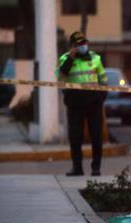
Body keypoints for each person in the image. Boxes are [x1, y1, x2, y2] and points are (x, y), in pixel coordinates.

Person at [56, 31, 108, 176]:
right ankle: (77, 168)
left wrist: (101, 96)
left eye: (84, 43)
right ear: (72, 46)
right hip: (74, 103)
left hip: (93, 103)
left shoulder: (95, 58)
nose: (82, 46)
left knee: (96, 136)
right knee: (75, 136)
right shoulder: (65, 58)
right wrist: (71, 58)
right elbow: (61, 75)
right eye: (78, 44)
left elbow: (103, 78)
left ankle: (96, 168)